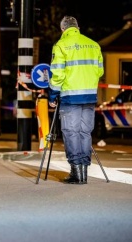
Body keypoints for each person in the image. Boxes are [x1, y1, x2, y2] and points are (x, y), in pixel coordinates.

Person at [48, 16, 104, 184]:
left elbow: (57, 74)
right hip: (89, 96)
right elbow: (99, 72)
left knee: (71, 133)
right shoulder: (94, 45)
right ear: (77, 27)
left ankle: (76, 172)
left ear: (63, 29)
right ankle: (84, 172)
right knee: (84, 133)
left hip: (70, 96)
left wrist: (52, 95)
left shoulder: (61, 46)